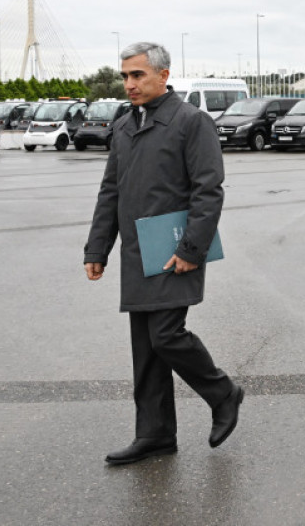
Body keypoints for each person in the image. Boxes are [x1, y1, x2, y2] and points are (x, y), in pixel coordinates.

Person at [84, 42, 244, 465]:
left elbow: (208, 190)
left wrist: (192, 247)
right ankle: (154, 433)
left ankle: (223, 392)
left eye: (137, 75)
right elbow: (111, 192)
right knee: (146, 346)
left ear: (163, 75)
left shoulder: (192, 122)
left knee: (166, 336)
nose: (130, 84)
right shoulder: (124, 125)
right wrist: (98, 247)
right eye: (125, 76)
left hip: (175, 247)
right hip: (138, 249)